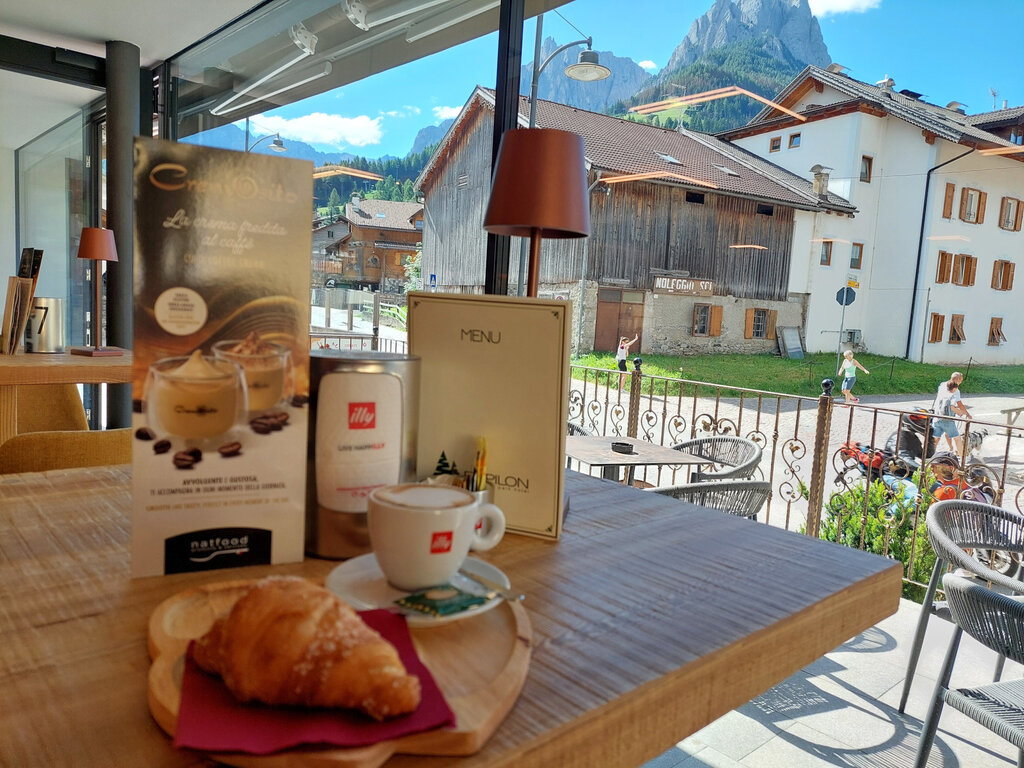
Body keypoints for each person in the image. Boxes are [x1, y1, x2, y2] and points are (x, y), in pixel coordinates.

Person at [932, 371, 971, 454]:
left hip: (937, 416)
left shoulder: (942, 385)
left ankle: (928, 456)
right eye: (961, 380)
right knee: (957, 439)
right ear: (958, 380)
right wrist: (965, 413)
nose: (961, 382)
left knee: (936, 438)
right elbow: (957, 404)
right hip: (947, 419)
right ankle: (963, 458)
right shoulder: (955, 391)